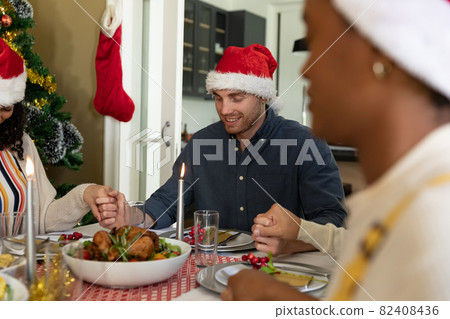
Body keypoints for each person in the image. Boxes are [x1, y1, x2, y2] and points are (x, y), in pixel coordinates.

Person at [222, 0, 450, 301]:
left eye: (317, 40)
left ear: (381, 53)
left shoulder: (432, 218)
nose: (305, 70)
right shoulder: (400, 197)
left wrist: (273, 300)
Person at [144, 43, 347, 239]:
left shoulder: (306, 143)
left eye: (236, 98)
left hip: (278, 267)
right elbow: (167, 202)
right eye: (218, 97)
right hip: (211, 262)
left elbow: (333, 220)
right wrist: (133, 216)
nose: (224, 110)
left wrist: (291, 241)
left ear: (263, 97)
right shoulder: (201, 142)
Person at [0, 37, 122, 233]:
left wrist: (85, 195)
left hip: (19, 263)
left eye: (5, 108)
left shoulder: (19, 144)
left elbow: (44, 219)